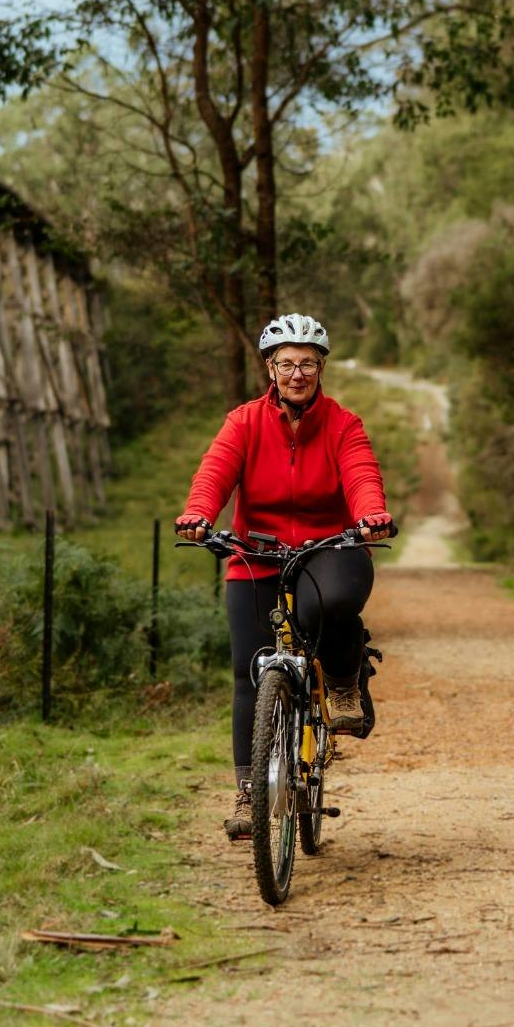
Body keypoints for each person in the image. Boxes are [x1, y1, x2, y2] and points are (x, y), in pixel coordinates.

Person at [175, 313, 394, 841]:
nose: (298, 374)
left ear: (321, 369)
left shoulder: (343, 424)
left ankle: (342, 678)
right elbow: (215, 471)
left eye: (308, 364)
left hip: (330, 545)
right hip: (256, 550)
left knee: (332, 602)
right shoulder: (244, 422)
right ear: (270, 368)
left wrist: (371, 514)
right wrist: (199, 514)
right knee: (248, 672)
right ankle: (251, 793)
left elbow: (361, 472)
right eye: (287, 364)